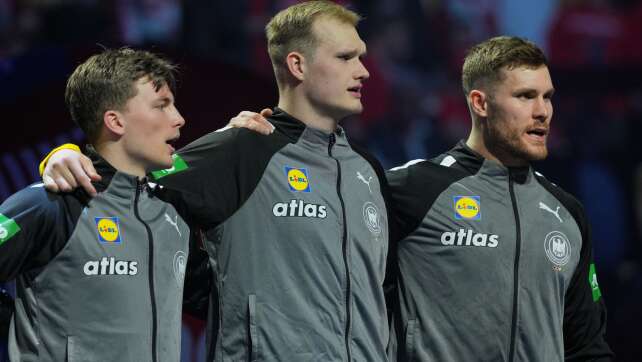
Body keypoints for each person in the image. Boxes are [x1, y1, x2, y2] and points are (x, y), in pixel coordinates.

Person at [40, 1, 394, 361]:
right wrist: (64, 155)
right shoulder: (241, 148)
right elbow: (127, 184)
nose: (364, 71)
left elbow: (388, 291)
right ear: (297, 65)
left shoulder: (367, 170)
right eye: (346, 57)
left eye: (361, 57)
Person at [386, 36, 613, 361]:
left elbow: (587, 346)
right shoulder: (411, 189)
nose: (542, 112)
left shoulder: (567, 213)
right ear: (480, 103)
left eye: (547, 97)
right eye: (525, 96)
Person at [0, 48, 192, 361]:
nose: (179, 118)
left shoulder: (172, 207)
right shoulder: (49, 204)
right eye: (162, 106)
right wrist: (18, 328)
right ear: (115, 121)